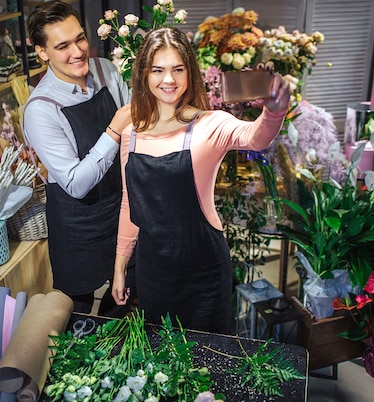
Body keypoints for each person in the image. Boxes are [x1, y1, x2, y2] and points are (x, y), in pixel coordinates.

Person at [111, 27, 290, 333]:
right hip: (153, 272)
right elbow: (131, 204)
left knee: (208, 363)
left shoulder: (210, 125)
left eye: (177, 69)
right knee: (162, 361)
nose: (169, 80)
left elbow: (255, 138)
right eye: (158, 70)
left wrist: (274, 109)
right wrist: (120, 267)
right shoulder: (132, 134)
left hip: (203, 273)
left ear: (189, 72)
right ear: (144, 74)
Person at [23, 1, 135, 315]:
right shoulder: (41, 109)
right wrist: (113, 129)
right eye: (62, 46)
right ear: (41, 51)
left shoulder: (106, 70)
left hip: (121, 206)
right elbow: (75, 184)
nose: (77, 51)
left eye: (80, 39)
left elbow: (134, 132)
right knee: (79, 314)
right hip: (78, 224)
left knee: (123, 300)